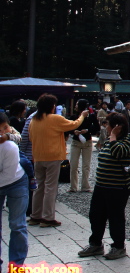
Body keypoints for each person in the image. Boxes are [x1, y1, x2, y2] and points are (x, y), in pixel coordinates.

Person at [78, 112, 130, 261]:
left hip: (118, 186)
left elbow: (118, 153)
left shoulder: (128, 141)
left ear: (117, 127)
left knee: (115, 217)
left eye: (108, 125)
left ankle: (118, 246)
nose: (106, 127)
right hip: (102, 185)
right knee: (96, 215)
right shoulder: (110, 140)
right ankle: (95, 243)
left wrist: (113, 137)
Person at [29, 94, 88, 227]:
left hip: (38, 156)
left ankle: (35, 215)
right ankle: (48, 217)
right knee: (50, 187)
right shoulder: (54, 118)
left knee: (39, 187)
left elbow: (31, 137)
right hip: (53, 156)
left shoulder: (34, 119)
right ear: (51, 106)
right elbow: (74, 124)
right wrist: (82, 116)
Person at [0, 125, 29, 273]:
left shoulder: (9, 145)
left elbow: (8, 175)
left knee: (17, 224)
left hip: (16, 181)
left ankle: (16, 269)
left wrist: (9, 137)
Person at [68, 99, 100, 193]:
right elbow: (68, 128)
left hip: (87, 141)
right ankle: (73, 187)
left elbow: (97, 127)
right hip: (76, 141)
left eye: (77, 104)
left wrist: (87, 130)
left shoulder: (91, 116)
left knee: (86, 166)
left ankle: (85, 186)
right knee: (73, 165)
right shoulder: (74, 116)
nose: (76, 105)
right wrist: (74, 131)